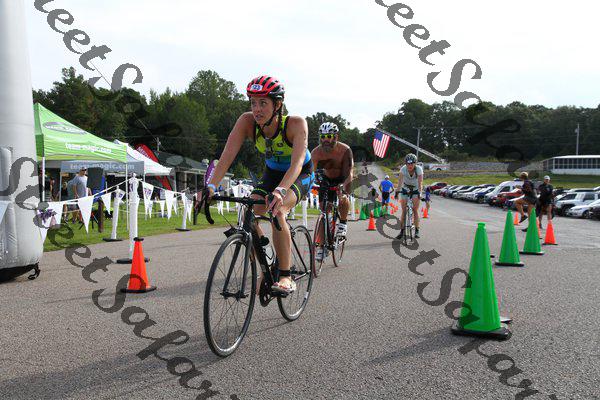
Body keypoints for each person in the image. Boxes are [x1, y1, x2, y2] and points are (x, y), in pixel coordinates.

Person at [203, 75, 313, 294]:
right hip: (272, 173)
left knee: (278, 211)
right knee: (248, 214)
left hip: (299, 173)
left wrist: (280, 191)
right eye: (253, 102)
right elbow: (226, 157)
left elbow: (297, 163)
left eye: (263, 103)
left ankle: (286, 276)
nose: (257, 109)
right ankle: (267, 258)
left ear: (277, 105)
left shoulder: (295, 124)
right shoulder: (247, 122)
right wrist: (211, 187)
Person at [310, 122, 354, 261]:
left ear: (336, 136)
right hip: (327, 179)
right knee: (324, 211)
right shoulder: (316, 152)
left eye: (329, 136)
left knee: (343, 198)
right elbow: (310, 173)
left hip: (343, 177)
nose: (326, 140)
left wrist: (345, 190)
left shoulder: (345, 150)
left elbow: (349, 173)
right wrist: (309, 187)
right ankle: (321, 246)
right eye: (323, 137)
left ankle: (343, 223)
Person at [395, 153, 423, 239]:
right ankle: (402, 231)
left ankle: (417, 230)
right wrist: (397, 192)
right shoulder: (403, 169)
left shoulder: (419, 169)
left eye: (412, 163)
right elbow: (400, 182)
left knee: (415, 210)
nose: (410, 165)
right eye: (408, 164)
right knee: (404, 211)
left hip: (415, 189)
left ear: (415, 163)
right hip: (405, 188)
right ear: (406, 163)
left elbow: (420, 183)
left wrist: (420, 193)